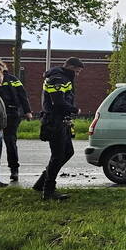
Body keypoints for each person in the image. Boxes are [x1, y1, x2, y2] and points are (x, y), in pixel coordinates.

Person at [33, 57, 84, 201]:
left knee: (68, 152)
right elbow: (58, 102)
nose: (78, 74)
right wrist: (75, 109)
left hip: (61, 120)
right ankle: (48, 190)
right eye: (77, 71)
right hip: (55, 121)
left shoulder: (63, 78)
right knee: (58, 156)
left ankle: (42, 183)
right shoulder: (57, 79)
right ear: (70, 67)